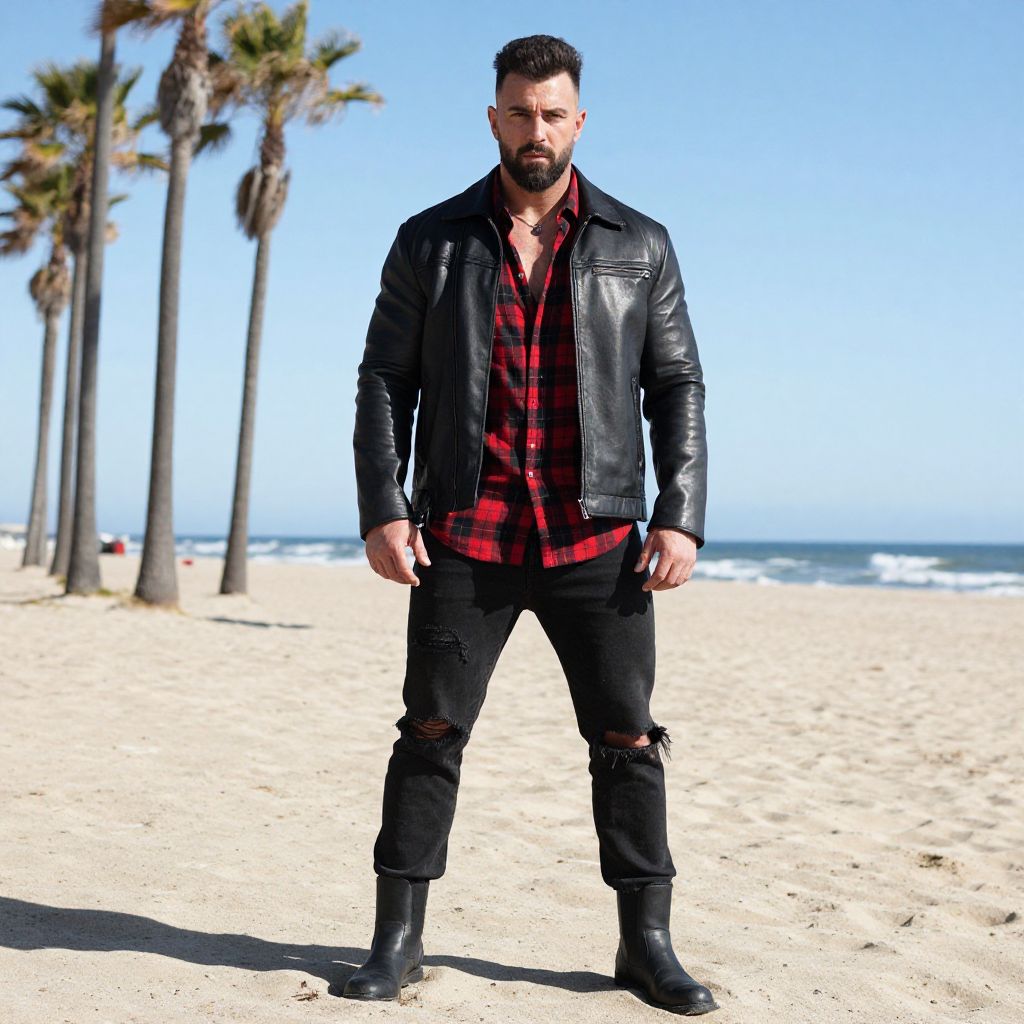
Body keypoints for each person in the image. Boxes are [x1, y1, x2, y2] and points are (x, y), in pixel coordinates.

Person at [345, 34, 716, 1015]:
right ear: (493, 117)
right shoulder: (431, 239)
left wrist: (679, 516)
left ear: (577, 121)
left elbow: (674, 383)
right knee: (428, 731)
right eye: (519, 111)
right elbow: (384, 380)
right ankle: (397, 940)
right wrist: (385, 506)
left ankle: (646, 944)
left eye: (553, 114)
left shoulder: (639, 242)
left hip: (597, 538)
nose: (535, 130)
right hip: (466, 532)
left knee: (628, 739)